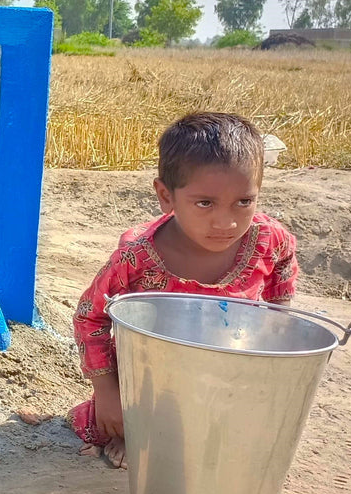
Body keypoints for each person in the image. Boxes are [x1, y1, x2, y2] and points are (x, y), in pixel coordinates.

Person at [69, 112, 298, 469]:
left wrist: (277, 318)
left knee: (240, 443)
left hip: (229, 374)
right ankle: (137, 433)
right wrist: (108, 393)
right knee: (137, 433)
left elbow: (285, 260)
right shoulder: (138, 258)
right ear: (166, 196)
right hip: (154, 383)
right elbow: (90, 317)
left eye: (244, 202)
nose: (227, 222)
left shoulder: (267, 239)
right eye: (205, 203)